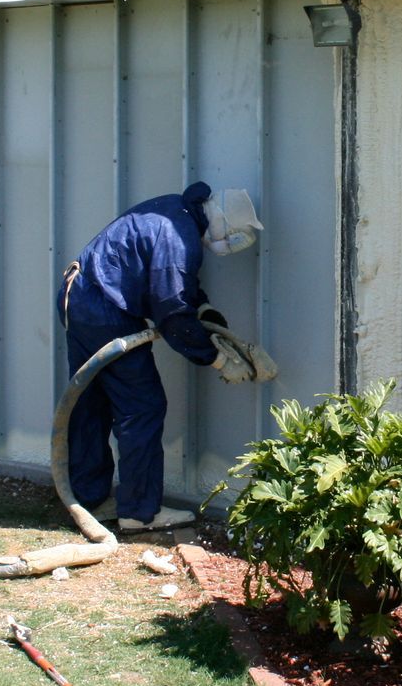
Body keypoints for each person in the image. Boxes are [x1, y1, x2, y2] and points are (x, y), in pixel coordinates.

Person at [62, 181, 262, 532]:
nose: (233, 241)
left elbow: (176, 286)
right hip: (106, 313)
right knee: (142, 407)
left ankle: (88, 498)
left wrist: (206, 311)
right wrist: (216, 359)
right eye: (234, 234)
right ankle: (139, 513)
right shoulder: (179, 236)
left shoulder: (176, 211)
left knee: (90, 403)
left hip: (79, 297)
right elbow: (173, 312)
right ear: (219, 221)